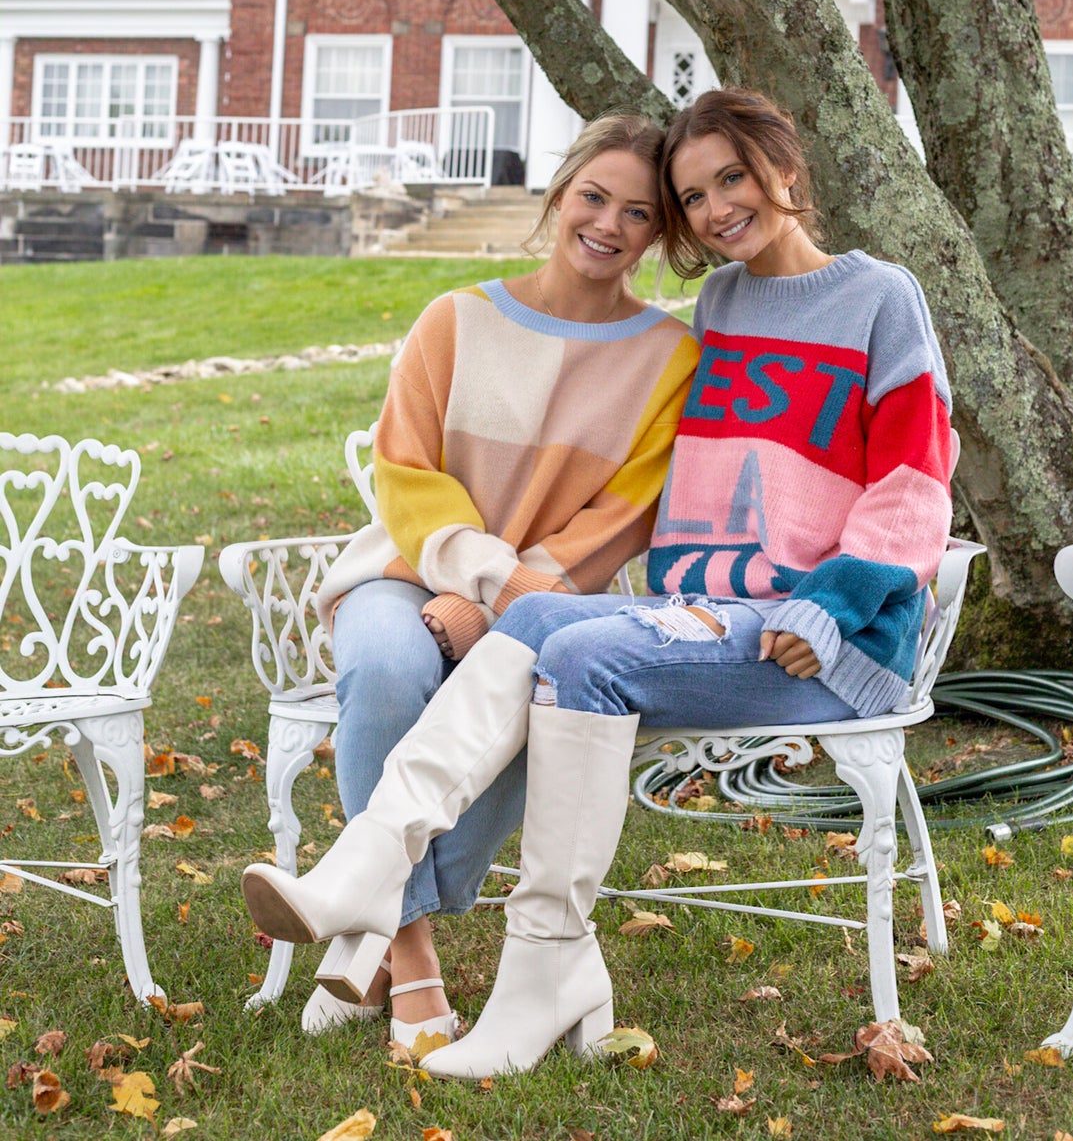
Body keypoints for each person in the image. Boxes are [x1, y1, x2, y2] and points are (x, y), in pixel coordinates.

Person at [244, 88, 955, 1077]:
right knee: (549, 621)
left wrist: (831, 606)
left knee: (582, 650)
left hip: (813, 635)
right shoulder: (723, 305)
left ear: (785, 169)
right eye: (695, 195)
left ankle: (481, 932)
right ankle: (387, 879)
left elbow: (915, 479)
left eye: (732, 180)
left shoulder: (881, 296)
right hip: (705, 612)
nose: (716, 208)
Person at [277, 112, 698, 1046]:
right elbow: (405, 477)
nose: (608, 224)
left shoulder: (670, 358)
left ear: (658, 233)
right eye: (594, 197)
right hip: (404, 571)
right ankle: (410, 950)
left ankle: (368, 936)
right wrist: (481, 584)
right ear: (560, 195)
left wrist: (498, 606)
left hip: (553, 600)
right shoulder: (455, 318)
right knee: (387, 669)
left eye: (637, 213)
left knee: (540, 695)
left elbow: (620, 518)